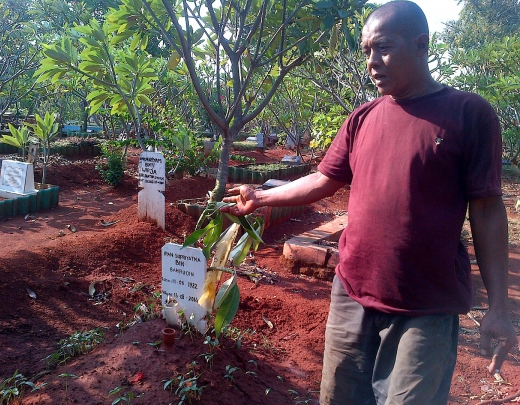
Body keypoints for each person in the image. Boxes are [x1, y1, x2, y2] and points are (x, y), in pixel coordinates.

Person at [222, 1, 518, 404]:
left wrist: (499, 307)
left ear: (420, 45)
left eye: (383, 47)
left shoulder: (468, 115)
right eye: (366, 51)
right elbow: (324, 179)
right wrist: (260, 196)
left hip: (425, 308)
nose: (372, 62)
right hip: (352, 296)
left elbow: (486, 209)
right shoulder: (362, 118)